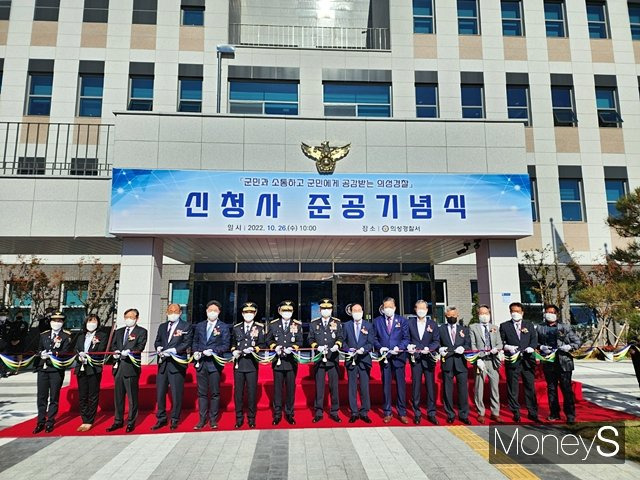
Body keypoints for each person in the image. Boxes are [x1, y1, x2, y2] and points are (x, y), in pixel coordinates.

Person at [536, 304, 582, 424]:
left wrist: (569, 347)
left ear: (557, 314)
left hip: (564, 362)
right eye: (547, 312)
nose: (549, 314)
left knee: (566, 389)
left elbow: (577, 341)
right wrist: (541, 347)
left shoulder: (565, 327)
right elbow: (535, 342)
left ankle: (570, 415)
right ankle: (554, 413)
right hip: (548, 362)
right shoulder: (540, 327)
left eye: (552, 312)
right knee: (551, 389)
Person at [107, 308, 148, 433]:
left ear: (136, 318)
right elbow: (114, 345)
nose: (128, 319)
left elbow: (140, 346)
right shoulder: (119, 332)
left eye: (131, 317)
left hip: (131, 367)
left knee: (132, 397)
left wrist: (130, 352)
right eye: (126, 317)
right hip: (118, 366)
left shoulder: (141, 331)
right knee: (118, 397)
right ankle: (118, 421)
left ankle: (131, 421)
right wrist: (115, 353)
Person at [152, 304, 193, 430]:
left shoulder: (186, 326)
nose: (173, 313)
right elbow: (157, 341)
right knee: (160, 393)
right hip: (163, 364)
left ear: (180, 312)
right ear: (166, 312)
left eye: (175, 311)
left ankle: (175, 418)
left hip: (177, 364)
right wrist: (158, 347)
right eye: (170, 311)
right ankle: (161, 418)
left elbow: (187, 342)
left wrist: (174, 350)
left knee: (176, 393)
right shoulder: (162, 326)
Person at [192, 300, 230, 430]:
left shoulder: (223, 327)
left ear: (219, 312)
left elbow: (226, 345)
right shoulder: (200, 326)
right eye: (210, 310)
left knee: (214, 393)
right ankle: (202, 419)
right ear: (206, 311)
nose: (212, 312)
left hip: (214, 364)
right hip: (201, 363)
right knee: (202, 393)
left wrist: (213, 351)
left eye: (215, 310)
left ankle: (213, 419)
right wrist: (195, 352)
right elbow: (195, 341)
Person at [499, 301, 539, 423]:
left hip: (527, 360)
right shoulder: (505, 325)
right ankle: (515, 411)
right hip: (513, 360)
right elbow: (501, 341)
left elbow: (534, 339)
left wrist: (531, 347)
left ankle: (532, 412)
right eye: (513, 311)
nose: (515, 313)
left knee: (529, 386)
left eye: (517, 311)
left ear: (522, 312)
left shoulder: (529, 325)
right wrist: (507, 347)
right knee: (513, 387)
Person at [372, 296, 410, 424]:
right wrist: (379, 347)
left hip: (399, 357)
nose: (388, 309)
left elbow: (406, 338)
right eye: (385, 307)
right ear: (382, 308)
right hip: (385, 358)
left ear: (394, 307)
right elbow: (374, 338)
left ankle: (402, 412)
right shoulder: (377, 321)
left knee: (401, 386)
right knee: (386, 386)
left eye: (390, 307)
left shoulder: (402, 321)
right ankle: (387, 412)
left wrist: (399, 347)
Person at [33, 311, 72, 433]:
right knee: (42, 396)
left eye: (59, 321)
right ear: (50, 322)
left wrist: (54, 354)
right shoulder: (44, 335)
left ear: (62, 323)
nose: (56, 323)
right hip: (43, 368)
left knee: (54, 396)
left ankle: (50, 421)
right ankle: (40, 421)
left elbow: (66, 351)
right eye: (54, 321)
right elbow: (38, 349)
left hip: (56, 369)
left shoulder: (66, 336)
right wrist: (41, 354)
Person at [266, 300, 303, 425]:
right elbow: (268, 339)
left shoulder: (297, 324)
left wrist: (292, 348)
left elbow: (300, 341)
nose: (287, 312)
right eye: (284, 310)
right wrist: (274, 346)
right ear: (279, 311)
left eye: (289, 310)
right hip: (278, 362)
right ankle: (277, 414)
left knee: (290, 389)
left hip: (291, 362)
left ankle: (289, 413)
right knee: (277, 389)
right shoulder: (273, 324)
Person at [308, 298, 344, 423]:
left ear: (332, 309)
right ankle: (318, 412)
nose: (326, 310)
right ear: (320, 310)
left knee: (334, 387)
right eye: (324, 308)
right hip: (319, 360)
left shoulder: (337, 323)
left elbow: (340, 337)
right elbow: (310, 339)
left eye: (328, 308)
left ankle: (334, 411)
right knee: (319, 387)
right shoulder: (314, 323)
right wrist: (316, 346)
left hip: (332, 359)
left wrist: (337, 346)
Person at [231, 302, 265, 429]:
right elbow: (233, 343)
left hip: (251, 364)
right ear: (242, 313)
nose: (248, 314)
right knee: (238, 393)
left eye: (251, 312)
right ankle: (239, 418)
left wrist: (254, 348)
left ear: (255, 313)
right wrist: (234, 350)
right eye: (246, 312)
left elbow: (262, 344)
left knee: (251, 392)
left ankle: (251, 418)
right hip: (239, 365)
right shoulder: (236, 327)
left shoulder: (260, 328)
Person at [407, 300, 440, 425]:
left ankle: (431, 413)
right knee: (416, 386)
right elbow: (406, 338)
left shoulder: (433, 324)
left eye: (424, 308)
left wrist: (430, 348)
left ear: (427, 309)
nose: (421, 310)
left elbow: (436, 340)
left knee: (430, 386)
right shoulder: (410, 323)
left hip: (428, 359)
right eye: (419, 308)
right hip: (416, 359)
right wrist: (409, 346)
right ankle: (417, 413)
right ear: (415, 309)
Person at [469, 305, 503, 423]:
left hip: (492, 360)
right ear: (478, 315)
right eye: (482, 313)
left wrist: (496, 349)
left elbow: (499, 343)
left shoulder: (494, 327)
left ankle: (495, 412)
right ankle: (480, 412)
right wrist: (477, 358)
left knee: (495, 387)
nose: (485, 316)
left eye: (486, 313)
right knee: (479, 387)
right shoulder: (473, 327)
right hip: (480, 360)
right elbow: (472, 344)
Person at [342, 303, 375, 423]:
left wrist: (364, 349)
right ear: (351, 312)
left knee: (364, 387)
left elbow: (371, 342)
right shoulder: (346, 325)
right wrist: (347, 349)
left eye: (359, 310)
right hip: (351, 359)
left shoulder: (369, 325)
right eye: (354, 310)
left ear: (362, 311)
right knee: (352, 387)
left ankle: (364, 412)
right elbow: (343, 341)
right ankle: (354, 412)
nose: (357, 312)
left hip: (364, 359)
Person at [438, 306, 471, 424]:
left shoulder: (464, 329)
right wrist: (440, 349)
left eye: (454, 316)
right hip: (447, 362)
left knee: (463, 390)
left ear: (458, 315)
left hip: (460, 363)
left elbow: (468, 344)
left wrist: (463, 347)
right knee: (448, 390)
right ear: (446, 316)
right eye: (449, 316)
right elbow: (437, 343)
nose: (452, 318)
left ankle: (463, 414)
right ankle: (450, 414)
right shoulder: (441, 329)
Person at [74, 314, 108, 432]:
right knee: (82, 395)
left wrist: (89, 355)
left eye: (94, 321)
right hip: (81, 368)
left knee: (93, 395)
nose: (91, 323)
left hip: (94, 368)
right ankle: (84, 418)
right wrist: (79, 357)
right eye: (89, 320)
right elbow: (75, 350)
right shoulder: (81, 336)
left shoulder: (102, 336)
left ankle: (90, 420)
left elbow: (101, 350)